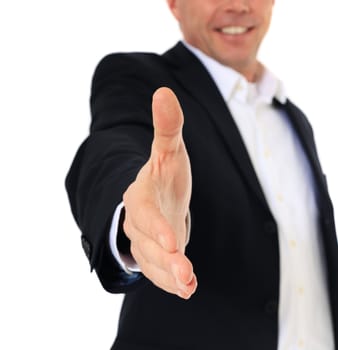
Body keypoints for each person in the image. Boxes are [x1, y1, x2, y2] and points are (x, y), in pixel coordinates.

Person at [66, 0, 338, 348]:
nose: (238, 6)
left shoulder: (294, 119)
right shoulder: (138, 79)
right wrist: (132, 219)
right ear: (175, 4)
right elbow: (112, 148)